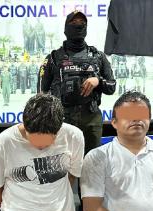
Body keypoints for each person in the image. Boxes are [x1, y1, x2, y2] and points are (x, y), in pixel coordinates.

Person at [39, 10, 116, 155]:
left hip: (91, 121)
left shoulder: (98, 56)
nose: (78, 26)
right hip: (61, 121)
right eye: (74, 23)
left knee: (92, 166)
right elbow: (41, 94)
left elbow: (112, 86)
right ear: (66, 28)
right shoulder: (53, 58)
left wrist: (98, 81)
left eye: (82, 23)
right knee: (62, 167)